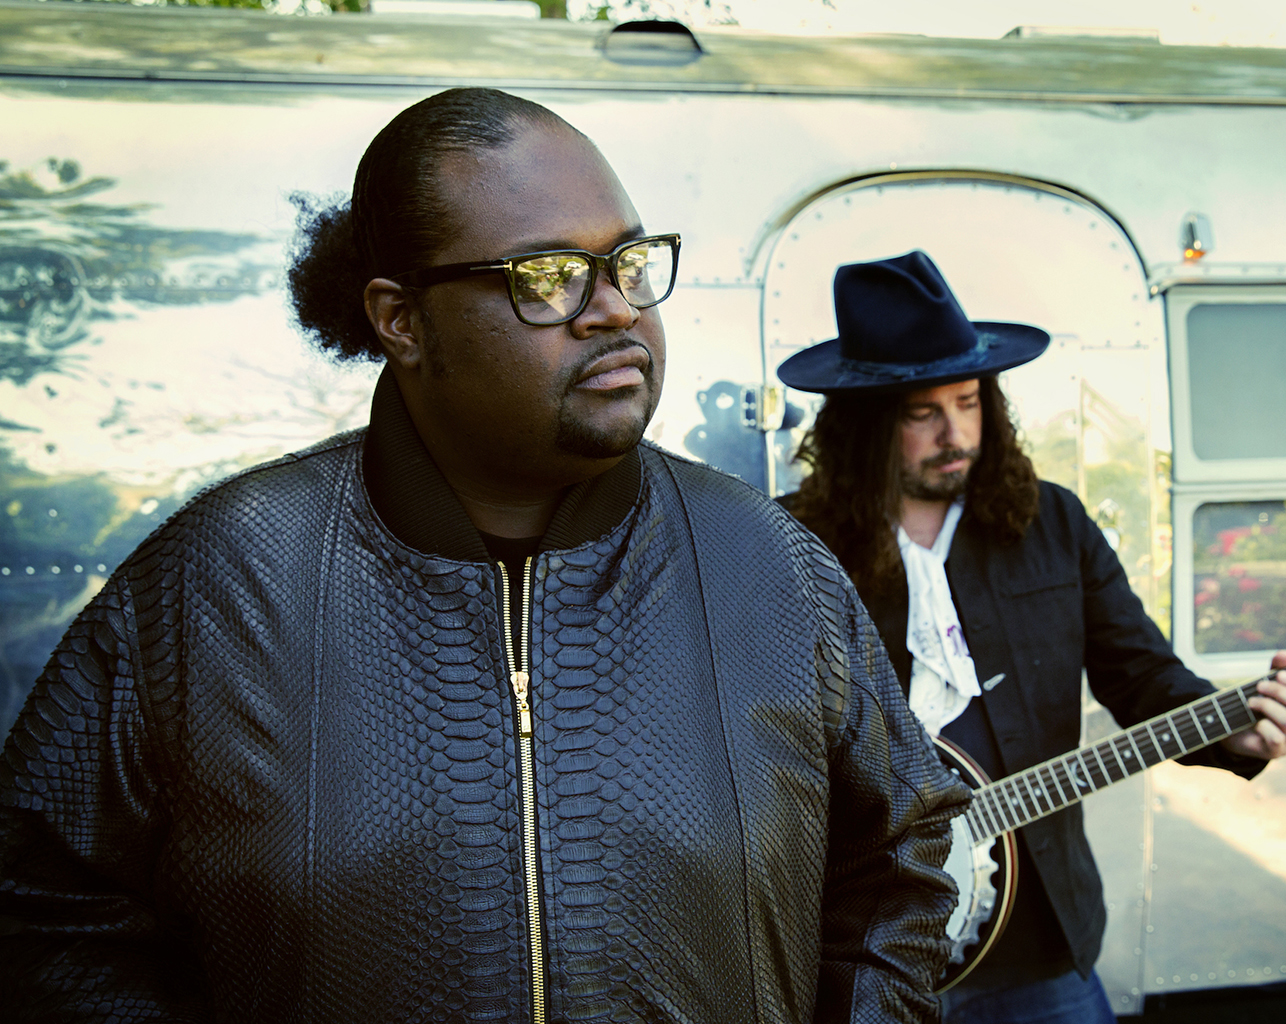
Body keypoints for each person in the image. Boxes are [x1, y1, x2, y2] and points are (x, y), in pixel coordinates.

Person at [0, 90, 969, 1023]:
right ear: (401, 319)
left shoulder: (770, 567)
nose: (613, 309)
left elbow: (900, 859)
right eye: (548, 276)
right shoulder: (218, 580)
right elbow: (37, 905)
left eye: (629, 263)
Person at [777, 251, 1286, 1024]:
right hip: (865, 949)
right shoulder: (792, 545)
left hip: (1037, 945)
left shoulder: (1052, 523)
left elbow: (1142, 676)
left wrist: (1239, 734)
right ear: (865, 425)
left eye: (969, 402)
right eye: (922, 413)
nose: (956, 433)